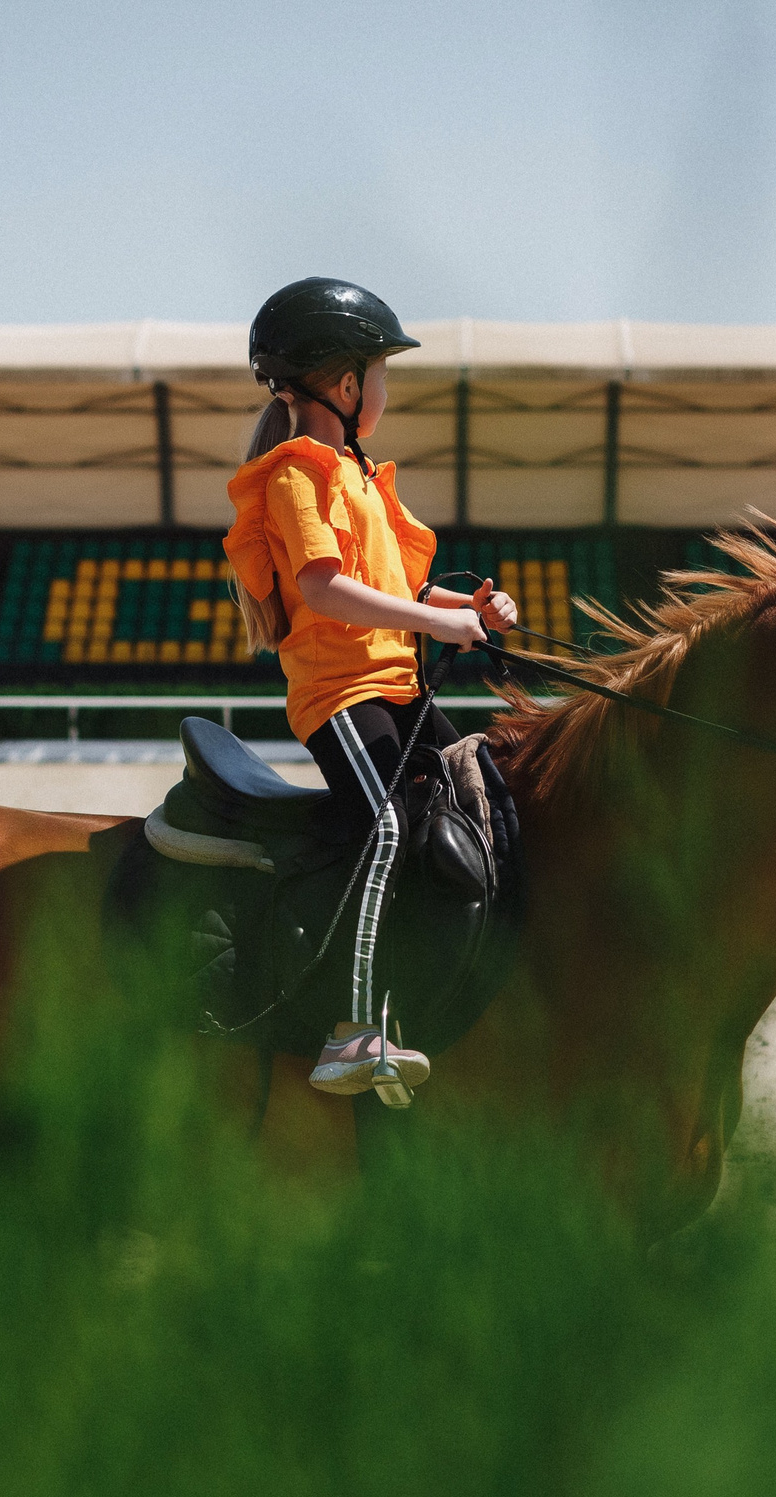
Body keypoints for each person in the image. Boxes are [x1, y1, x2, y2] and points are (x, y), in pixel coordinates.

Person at [222, 278, 517, 1098]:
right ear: (345, 385)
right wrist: (439, 627)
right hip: (343, 697)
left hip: (396, 683)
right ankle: (352, 1028)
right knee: (387, 825)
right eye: (380, 373)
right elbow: (322, 592)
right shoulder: (294, 476)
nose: (385, 390)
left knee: (482, 787)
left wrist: (472, 607)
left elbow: (393, 590)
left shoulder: (356, 475)